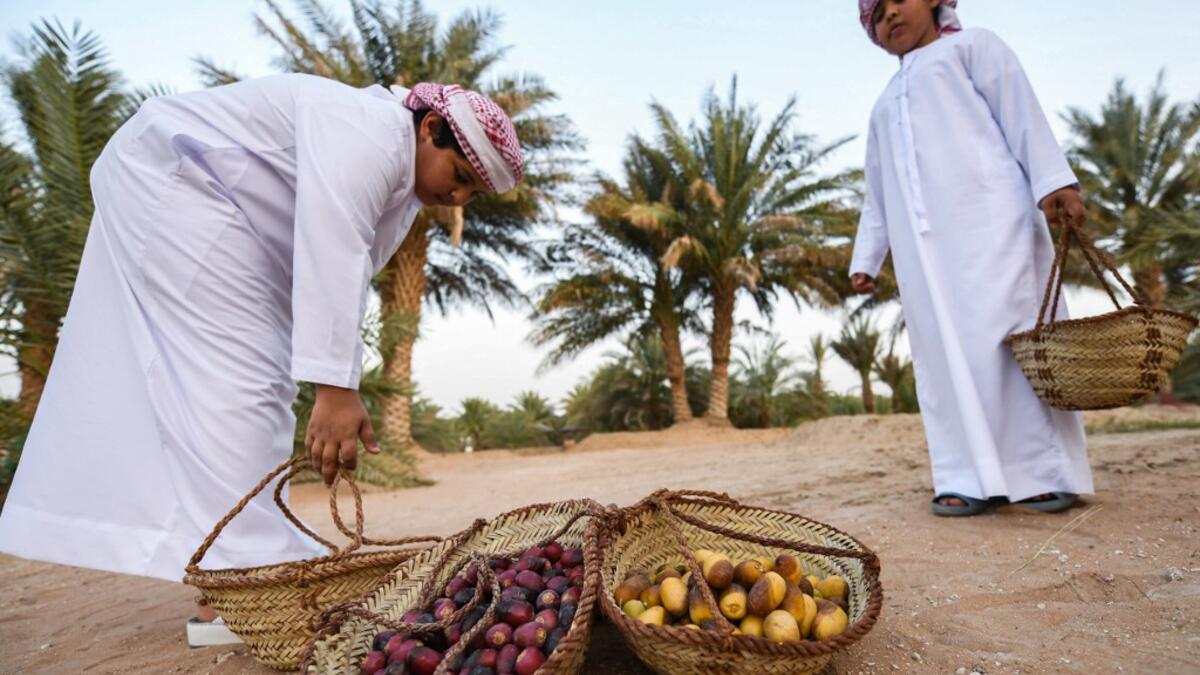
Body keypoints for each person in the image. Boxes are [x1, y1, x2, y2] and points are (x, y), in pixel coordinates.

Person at [0, 75, 523, 643]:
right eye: (460, 177)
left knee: (256, 385)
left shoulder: (398, 172)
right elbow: (334, 247)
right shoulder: (369, 134)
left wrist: (331, 375)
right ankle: (236, 596)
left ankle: (239, 578)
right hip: (180, 185)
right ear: (430, 128)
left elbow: (345, 266)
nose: (458, 198)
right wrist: (335, 390)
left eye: (473, 194)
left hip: (221, 213)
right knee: (241, 387)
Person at [848, 0, 1094, 516]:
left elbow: (1022, 114)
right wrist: (866, 257)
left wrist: (1054, 182)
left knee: (1013, 341)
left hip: (994, 223)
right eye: (878, 11)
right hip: (923, 254)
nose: (890, 14)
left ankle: (1041, 471)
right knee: (942, 360)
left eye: (899, 0)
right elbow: (878, 192)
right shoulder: (882, 105)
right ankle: (964, 475)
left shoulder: (972, 47)